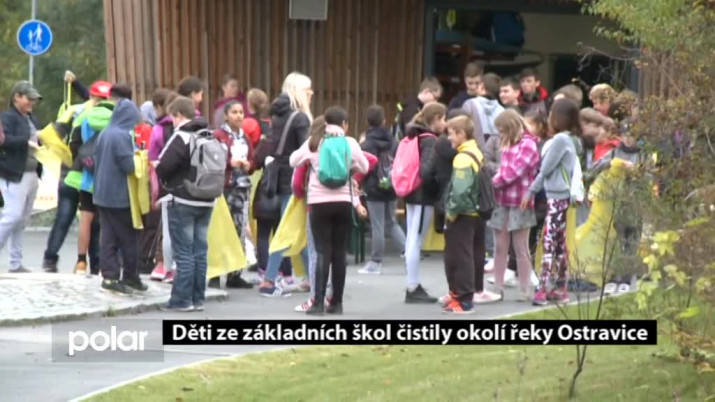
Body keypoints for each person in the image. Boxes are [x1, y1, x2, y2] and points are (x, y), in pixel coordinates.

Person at [289, 106, 369, 315]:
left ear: (325, 123)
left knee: (322, 251)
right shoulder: (350, 143)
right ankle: (337, 303)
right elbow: (365, 167)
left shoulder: (315, 142)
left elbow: (293, 160)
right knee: (339, 253)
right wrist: (349, 166)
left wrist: (311, 159)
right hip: (343, 202)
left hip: (318, 203)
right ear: (345, 124)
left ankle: (318, 302)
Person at [42, 78, 112, 273]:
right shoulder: (114, 118)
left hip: (72, 174)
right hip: (97, 178)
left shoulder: (77, 113)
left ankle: (52, 259)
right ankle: (96, 263)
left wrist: (76, 160)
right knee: (95, 222)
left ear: (92, 96)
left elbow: (59, 138)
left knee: (64, 219)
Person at [156, 96, 216, 311]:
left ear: (179, 115)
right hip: (207, 200)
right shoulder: (209, 135)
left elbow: (163, 166)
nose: (172, 122)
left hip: (183, 199)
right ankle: (198, 298)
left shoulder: (181, 136)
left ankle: (182, 300)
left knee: (183, 252)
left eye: (173, 117)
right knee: (200, 251)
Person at [257, 72, 313, 297]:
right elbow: (306, 151)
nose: (311, 93)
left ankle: (311, 278)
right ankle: (269, 281)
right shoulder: (300, 118)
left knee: (295, 228)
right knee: (288, 230)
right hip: (293, 179)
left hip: (278, 177)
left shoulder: (278, 115)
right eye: (307, 90)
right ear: (298, 91)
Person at [522, 99, 582, 305]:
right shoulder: (572, 140)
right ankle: (560, 287)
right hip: (561, 197)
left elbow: (545, 169)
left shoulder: (560, 140)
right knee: (558, 242)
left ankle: (543, 288)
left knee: (549, 241)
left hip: (556, 197)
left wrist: (530, 191)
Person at [67, 84, 131, 275]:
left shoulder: (85, 117)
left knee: (85, 218)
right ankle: (105, 263)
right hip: (110, 177)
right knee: (106, 222)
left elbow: (74, 144)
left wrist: (84, 161)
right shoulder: (118, 119)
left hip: (87, 176)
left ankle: (81, 262)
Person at [93, 99, 147, 294]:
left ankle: (109, 277)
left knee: (108, 238)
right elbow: (129, 166)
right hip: (120, 195)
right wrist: (141, 157)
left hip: (102, 193)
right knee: (129, 238)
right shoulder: (122, 135)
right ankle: (131, 277)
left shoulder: (105, 133)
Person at [489, 110, 540, 301]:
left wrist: (490, 184)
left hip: (520, 201)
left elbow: (514, 172)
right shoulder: (507, 142)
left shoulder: (528, 144)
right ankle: (497, 287)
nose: (500, 134)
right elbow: (502, 169)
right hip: (501, 199)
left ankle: (524, 288)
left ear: (511, 126)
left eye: (502, 130)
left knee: (520, 247)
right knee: (500, 246)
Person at [440, 115, 489, 313]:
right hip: (476, 213)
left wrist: (451, 214)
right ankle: (460, 295)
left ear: (461, 134)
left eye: (451, 134)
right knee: (469, 254)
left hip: (462, 214)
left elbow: (460, 192)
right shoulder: (476, 151)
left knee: (459, 257)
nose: (449, 138)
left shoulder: (462, 158)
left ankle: (463, 300)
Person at [401, 102, 445, 304]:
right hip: (422, 194)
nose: (445, 123)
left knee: (412, 237)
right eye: (443, 119)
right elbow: (426, 171)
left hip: (411, 191)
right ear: (435, 119)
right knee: (415, 240)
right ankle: (412, 286)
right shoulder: (430, 140)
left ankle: (413, 284)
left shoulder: (413, 136)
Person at [0, 81, 43, 273]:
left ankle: (15, 262)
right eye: (28, 98)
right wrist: (26, 142)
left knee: (22, 220)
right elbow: (4, 141)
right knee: (12, 215)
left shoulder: (32, 119)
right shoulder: (7, 118)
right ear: (16, 97)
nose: (31, 102)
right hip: (13, 173)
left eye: (34, 99)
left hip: (32, 172)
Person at [358, 105, 405, 275]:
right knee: (391, 222)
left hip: (373, 187)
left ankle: (375, 261)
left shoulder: (366, 143)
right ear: (384, 121)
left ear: (367, 122)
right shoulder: (393, 141)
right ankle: (408, 252)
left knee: (377, 225)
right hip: (390, 185)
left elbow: (363, 167)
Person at [213, 100, 255, 289]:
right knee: (220, 230)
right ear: (226, 115)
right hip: (224, 188)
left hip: (242, 188)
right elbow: (213, 158)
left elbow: (252, 160)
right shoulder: (219, 136)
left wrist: (249, 165)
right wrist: (230, 163)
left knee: (239, 230)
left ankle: (235, 274)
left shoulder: (245, 137)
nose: (238, 116)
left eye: (241, 112)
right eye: (234, 112)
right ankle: (215, 274)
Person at [148, 91, 180, 282]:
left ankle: (165, 267)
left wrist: (154, 193)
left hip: (165, 185)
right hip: (189, 187)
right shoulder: (194, 128)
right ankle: (182, 268)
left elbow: (152, 160)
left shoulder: (159, 130)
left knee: (167, 228)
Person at [463, 72, 505, 149]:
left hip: (475, 151)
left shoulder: (470, 104)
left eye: (478, 84)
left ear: (482, 87)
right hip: (496, 152)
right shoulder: (503, 111)